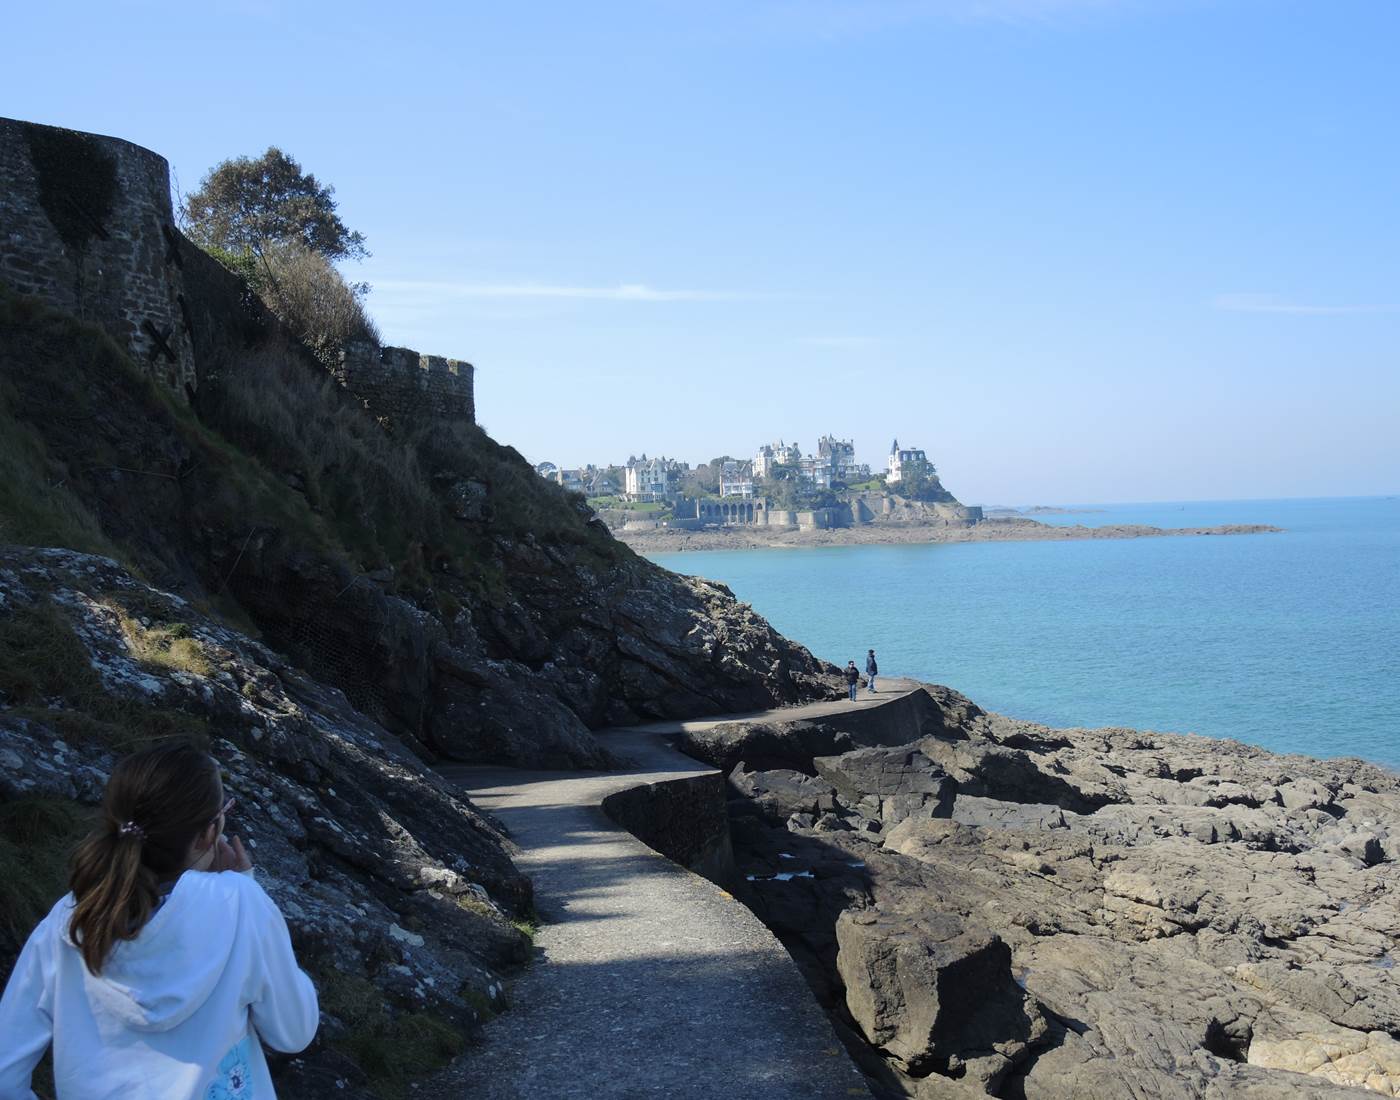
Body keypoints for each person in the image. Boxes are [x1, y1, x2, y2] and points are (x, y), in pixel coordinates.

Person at [0, 740, 319, 1099]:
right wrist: (246, 885)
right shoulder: (239, 903)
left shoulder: (72, 919)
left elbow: (4, 1075)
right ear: (208, 834)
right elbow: (294, 1032)